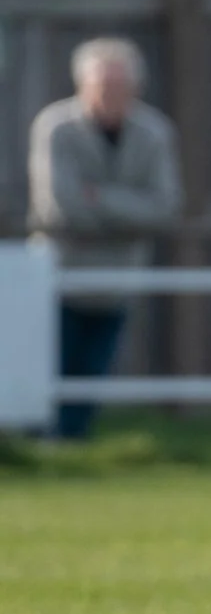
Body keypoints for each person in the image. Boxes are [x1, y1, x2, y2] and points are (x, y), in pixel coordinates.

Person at [27, 38, 183, 440]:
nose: (111, 95)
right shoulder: (57, 127)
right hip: (59, 276)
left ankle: (72, 450)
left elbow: (164, 207)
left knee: (90, 374)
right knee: (44, 370)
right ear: (82, 85)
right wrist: (125, 212)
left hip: (118, 277)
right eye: (102, 86)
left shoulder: (153, 132)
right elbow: (62, 207)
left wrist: (100, 198)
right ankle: (38, 448)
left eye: (119, 87)